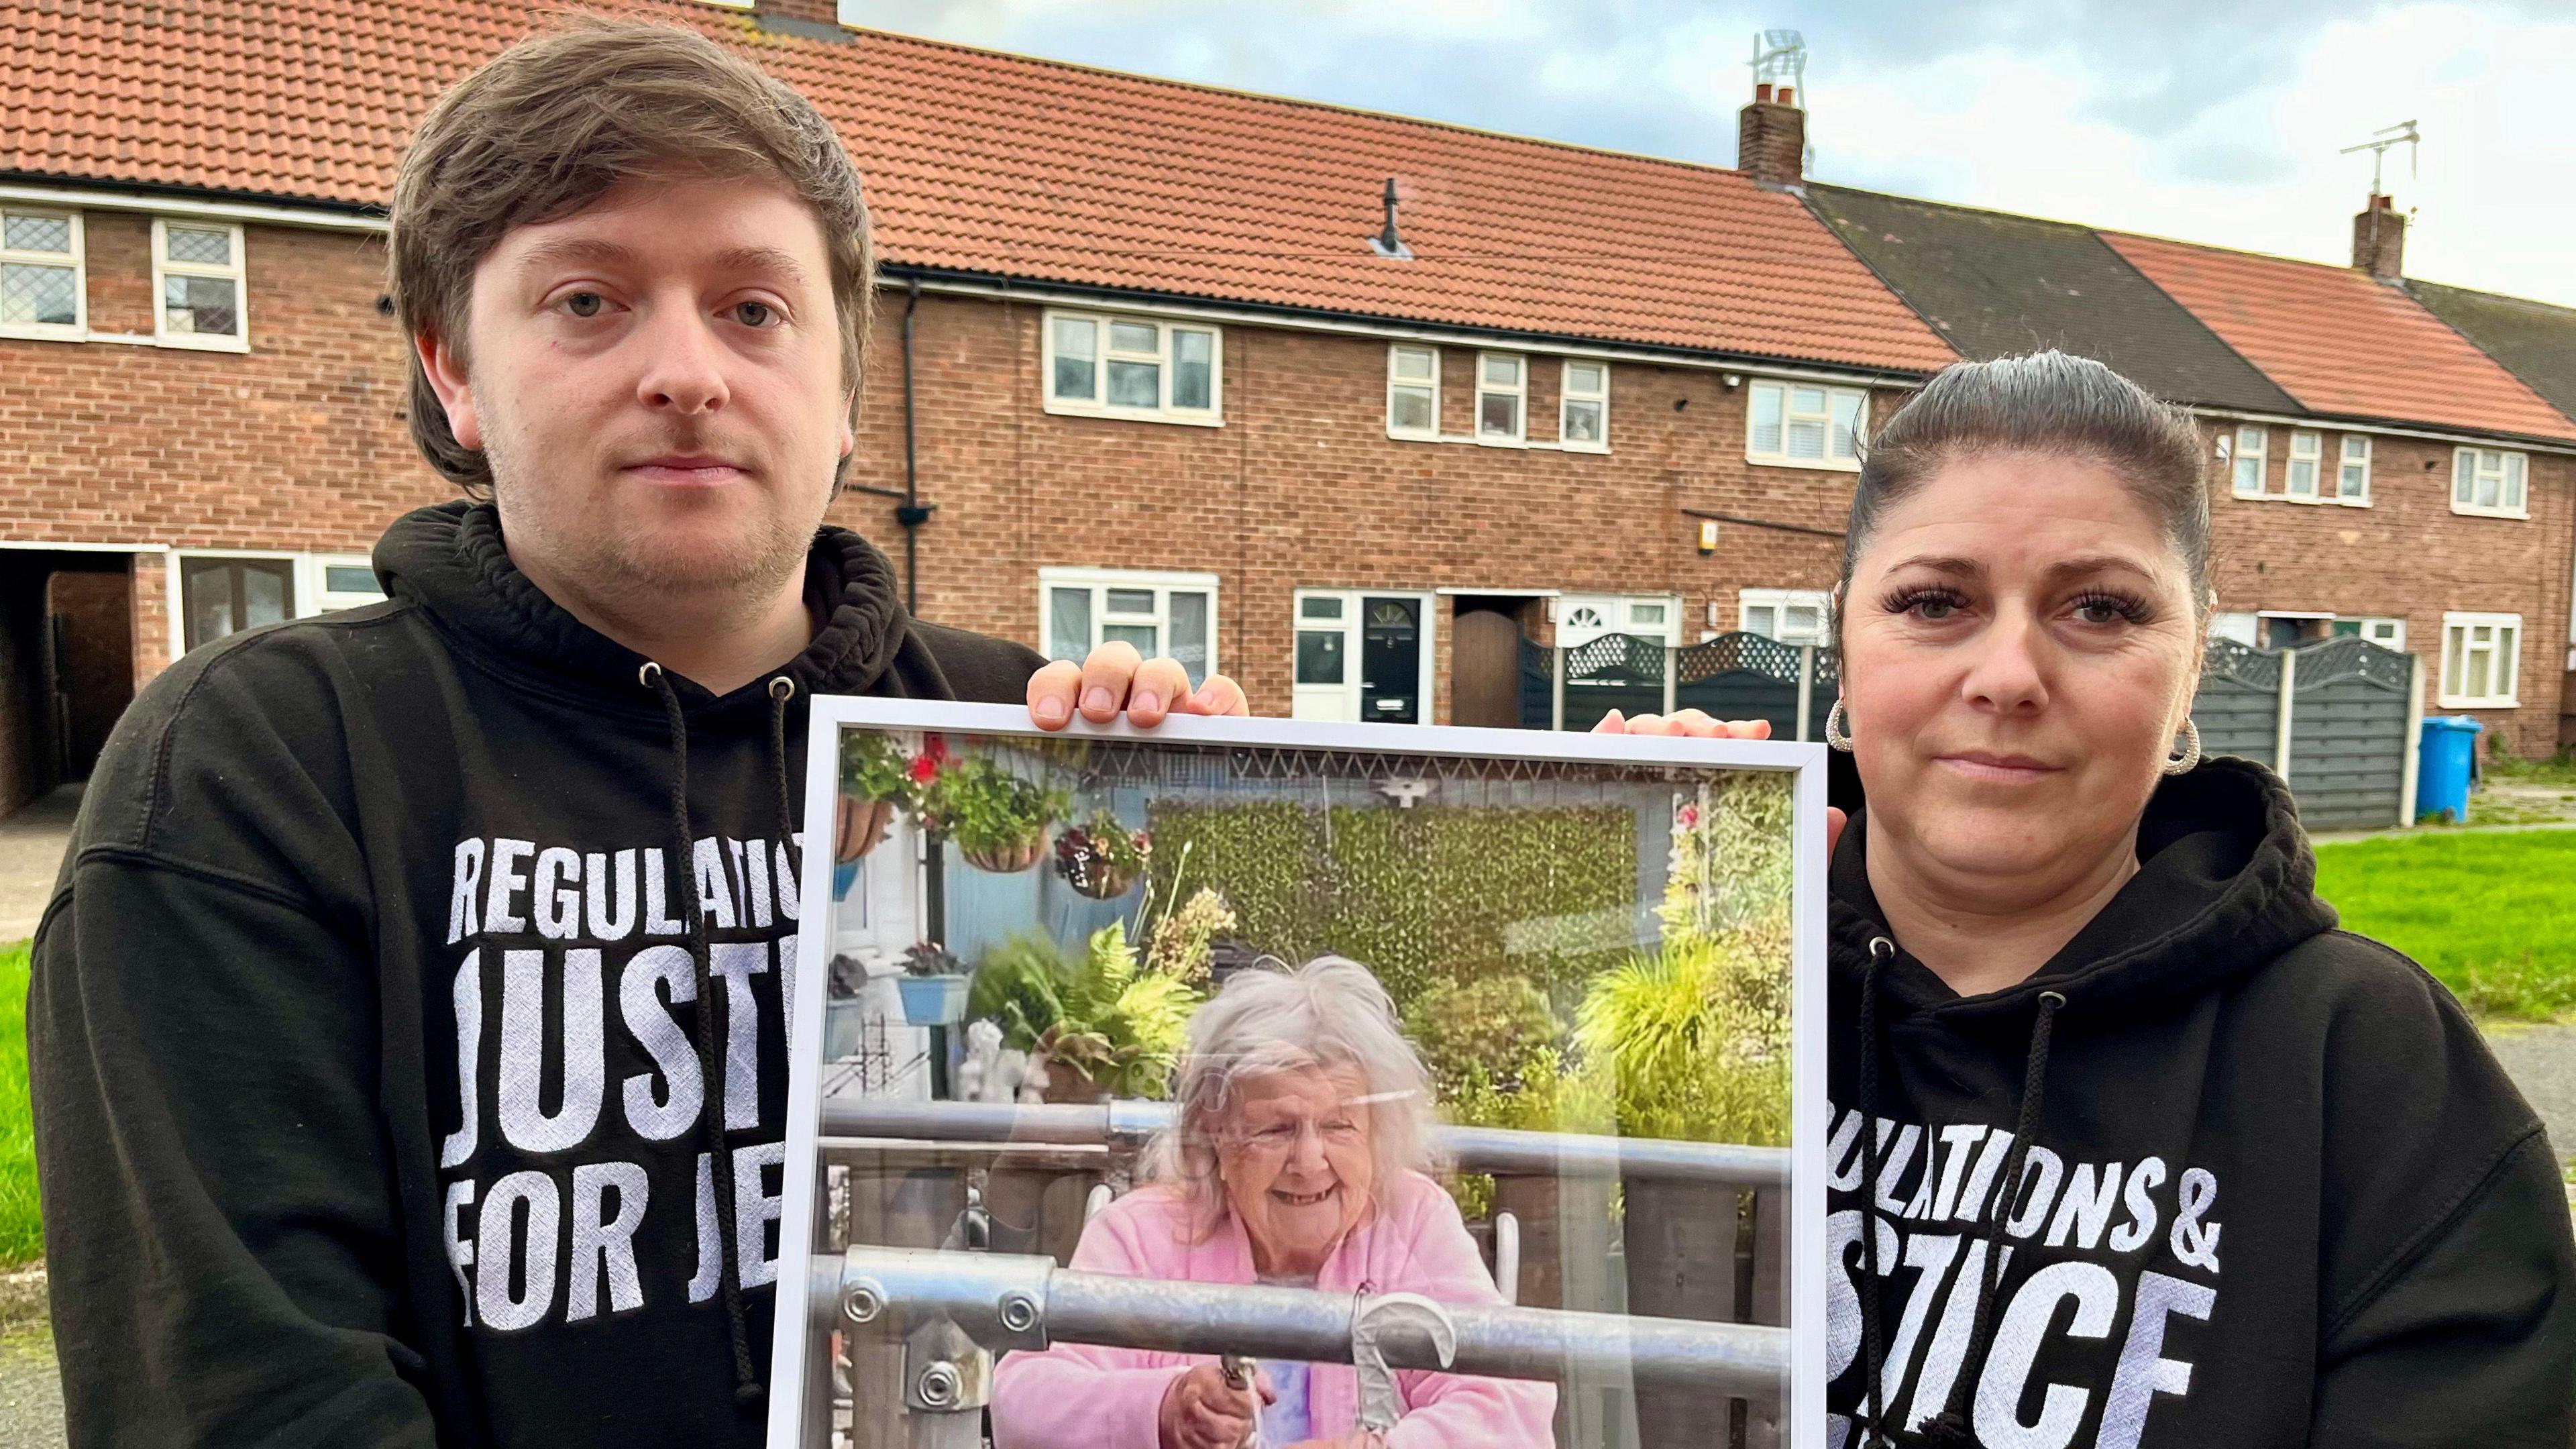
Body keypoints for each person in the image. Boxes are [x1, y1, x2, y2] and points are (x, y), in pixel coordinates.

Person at [27, 19, 1238, 1448]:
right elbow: (247, 1400)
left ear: (847, 390)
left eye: (754, 309)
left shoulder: (1009, 736)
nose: (688, 372)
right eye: (590, 300)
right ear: (454, 371)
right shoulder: (257, 770)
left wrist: (1234, 814)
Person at [1606, 351, 2576, 1446]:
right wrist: (1574, 897)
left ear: (2195, 658)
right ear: (1844, 634)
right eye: (1934, 601)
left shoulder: (2366, 1072)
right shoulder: (1684, 961)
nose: (2009, 674)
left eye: (2102, 609)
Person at [990, 957, 1557, 1449]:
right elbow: (1025, 1406)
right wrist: (1162, 1409)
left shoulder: (1410, 1220)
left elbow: (1510, 1406)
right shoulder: (1145, 1233)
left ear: (1377, 1130)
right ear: (1213, 1132)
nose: (1309, 1161)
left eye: (1339, 1126)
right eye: (1274, 1130)